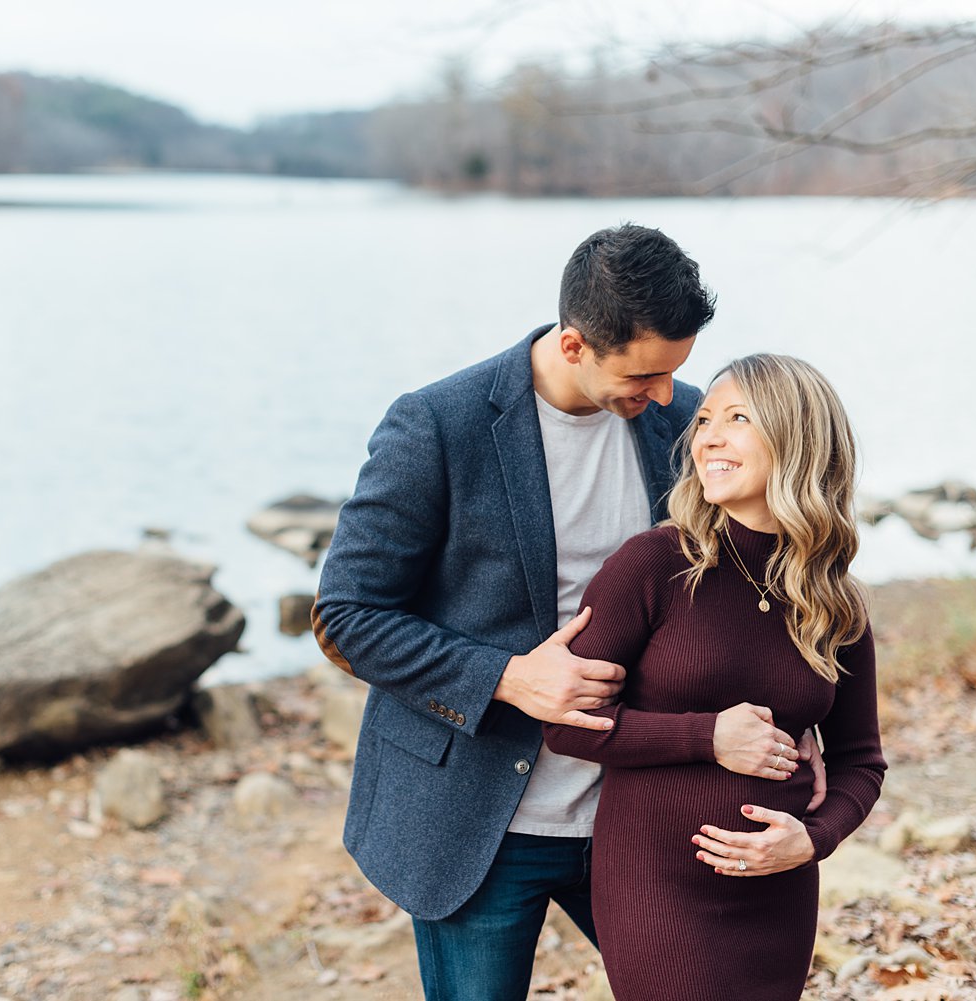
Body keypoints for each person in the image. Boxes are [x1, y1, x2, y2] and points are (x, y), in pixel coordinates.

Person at [312, 225, 827, 1001]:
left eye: (674, 373)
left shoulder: (686, 421)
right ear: (578, 344)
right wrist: (509, 677)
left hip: (648, 809)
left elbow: (751, 589)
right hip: (478, 821)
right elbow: (346, 614)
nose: (664, 397)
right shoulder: (437, 425)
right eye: (645, 374)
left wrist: (797, 720)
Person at [543, 354, 886, 1000]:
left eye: (736, 419)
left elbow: (861, 761)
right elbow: (564, 724)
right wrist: (706, 736)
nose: (708, 437)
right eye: (703, 421)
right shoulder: (655, 565)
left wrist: (811, 841)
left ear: (795, 440)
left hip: (778, 894)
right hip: (657, 887)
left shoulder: (834, 603)